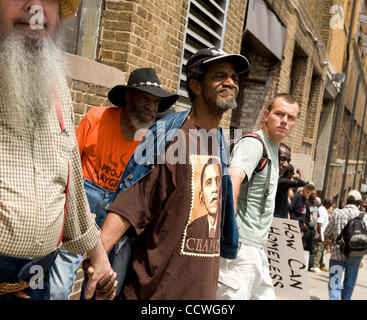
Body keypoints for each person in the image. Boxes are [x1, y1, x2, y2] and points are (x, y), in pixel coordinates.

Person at [84, 47, 249, 299]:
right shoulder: (168, 139)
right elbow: (131, 203)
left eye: (234, 78)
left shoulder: (218, 142)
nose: (230, 83)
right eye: (220, 76)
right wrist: (97, 260)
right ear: (195, 85)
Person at [0, 0, 115, 300]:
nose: (35, 8)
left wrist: (98, 255)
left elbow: (73, 189)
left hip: (36, 284)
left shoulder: (56, 89)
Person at [49, 68, 178, 299]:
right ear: (128, 97)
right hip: (83, 209)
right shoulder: (96, 118)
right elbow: (69, 169)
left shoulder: (153, 141)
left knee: (105, 290)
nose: (151, 107)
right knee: (58, 287)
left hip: (119, 216)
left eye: (156, 102)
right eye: (145, 99)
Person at [217, 93, 300, 300]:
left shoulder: (272, 148)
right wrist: (230, 233)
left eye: (290, 117)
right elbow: (233, 181)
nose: (284, 121)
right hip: (241, 248)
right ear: (266, 115)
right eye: (279, 114)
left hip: (257, 250)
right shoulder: (254, 144)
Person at [324, 190, 367, 300]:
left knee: (334, 284)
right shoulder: (364, 217)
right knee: (349, 283)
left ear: (347, 200)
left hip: (337, 254)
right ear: (359, 202)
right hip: (355, 255)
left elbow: (327, 233)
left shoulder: (336, 213)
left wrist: (328, 241)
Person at [274, 143, 306, 219]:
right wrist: (300, 172)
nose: (286, 164)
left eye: (288, 161)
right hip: (277, 220)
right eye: (282, 159)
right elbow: (302, 183)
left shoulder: (281, 182)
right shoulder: (282, 182)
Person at [312, 198, 333, 272]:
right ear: (328, 204)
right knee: (318, 250)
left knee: (320, 250)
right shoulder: (323, 211)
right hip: (320, 234)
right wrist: (320, 235)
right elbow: (319, 223)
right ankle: (315, 266)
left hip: (321, 233)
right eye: (330, 204)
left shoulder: (322, 209)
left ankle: (319, 264)